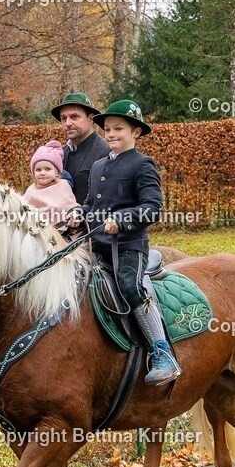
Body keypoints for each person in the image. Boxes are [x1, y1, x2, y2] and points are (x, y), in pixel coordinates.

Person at [66, 99, 180, 385]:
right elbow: (91, 204)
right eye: (107, 129)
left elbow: (153, 207)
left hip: (130, 248)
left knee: (130, 285)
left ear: (135, 132)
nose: (111, 134)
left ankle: (162, 352)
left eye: (118, 129)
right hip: (97, 248)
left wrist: (123, 219)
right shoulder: (97, 166)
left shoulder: (143, 165)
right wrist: (78, 213)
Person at [52, 92, 111, 206]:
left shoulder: (106, 152)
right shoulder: (60, 154)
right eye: (63, 118)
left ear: (91, 118)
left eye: (74, 117)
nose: (68, 123)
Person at [23, 140, 80, 231]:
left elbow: (71, 206)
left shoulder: (63, 186)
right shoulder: (31, 191)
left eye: (47, 169)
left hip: (65, 234)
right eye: (38, 170)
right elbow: (23, 210)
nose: (42, 173)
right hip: (39, 234)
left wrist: (74, 214)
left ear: (57, 172)